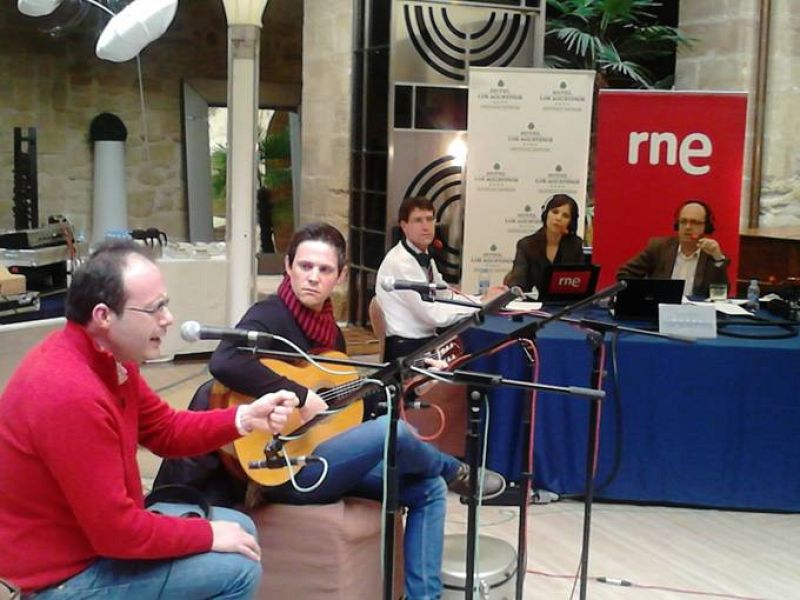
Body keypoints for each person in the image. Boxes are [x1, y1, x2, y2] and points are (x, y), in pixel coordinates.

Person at [209, 222, 505, 600]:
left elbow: (348, 407)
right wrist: (299, 393)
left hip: (322, 455)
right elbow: (224, 361)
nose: (312, 278)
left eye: (324, 270)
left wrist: (408, 382)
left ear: (341, 276)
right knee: (391, 432)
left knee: (426, 488)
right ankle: (456, 471)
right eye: (304, 266)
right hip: (280, 465)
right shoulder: (270, 315)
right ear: (288, 266)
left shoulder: (330, 332)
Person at [0, 240, 300, 599]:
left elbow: (165, 431)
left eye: (166, 305)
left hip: (92, 544)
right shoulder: (69, 393)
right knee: (237, 569)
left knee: (239, 527)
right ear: (103, 316)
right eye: (155, 308)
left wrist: (245, 417)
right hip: (64, 577)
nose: (168, 318)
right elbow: (118, 533)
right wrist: (207, 536)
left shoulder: (108, 356)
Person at [376, 196, 506, 361]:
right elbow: (434, 316)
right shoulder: (401, 262)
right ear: (404, 226)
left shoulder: (424, 255)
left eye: (429, 219)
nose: (425, 227)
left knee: (476, 351)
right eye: (418, 220)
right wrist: (480, 305)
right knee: (475, 355)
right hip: (406, 349)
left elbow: (445, 295)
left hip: (424, 342)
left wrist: (483, 297)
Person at [616, 199, 730, 297]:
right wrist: (648, 294)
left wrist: (718, 258)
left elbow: (721, 293)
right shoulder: (659, 247)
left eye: (695, 222)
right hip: (660, 310)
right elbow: (624, 274)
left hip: (696, 313)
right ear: (677, 224)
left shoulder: (711, 254)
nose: (688, 227)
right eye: (683, 221)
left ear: (706, 227)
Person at [503, 193, 585, 295]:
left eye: (565, 216)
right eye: (555, 212)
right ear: (546, 214)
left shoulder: (575, 245)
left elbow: (580, 283)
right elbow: (518, 282)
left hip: (563, 304)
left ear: (570, 222)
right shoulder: (527, 245)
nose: (558, 218)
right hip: (532, 305)